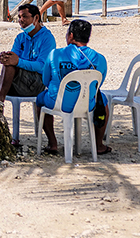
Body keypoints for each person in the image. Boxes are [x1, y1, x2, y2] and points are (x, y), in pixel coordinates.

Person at [36, 19, 112, 155]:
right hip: (87, 105)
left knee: (40, 100)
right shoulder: (100, 59)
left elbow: (45, 80)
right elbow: (97, 84)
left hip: (58, 103)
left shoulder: (55, 54)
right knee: (103, 101)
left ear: (70, 35)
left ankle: (52, 143)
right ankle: (99, 144)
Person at [0, 4, 55, 107]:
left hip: (37, 82)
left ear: (36, 17)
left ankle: (1, 98)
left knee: (11, 64)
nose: (21, 20)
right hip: (16, 80)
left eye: (24, 16)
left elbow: (42, 66)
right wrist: (5, 57)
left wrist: (17, 61)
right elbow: (13, 58)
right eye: (19, 17)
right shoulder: (20, 38)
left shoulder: (47, 38)